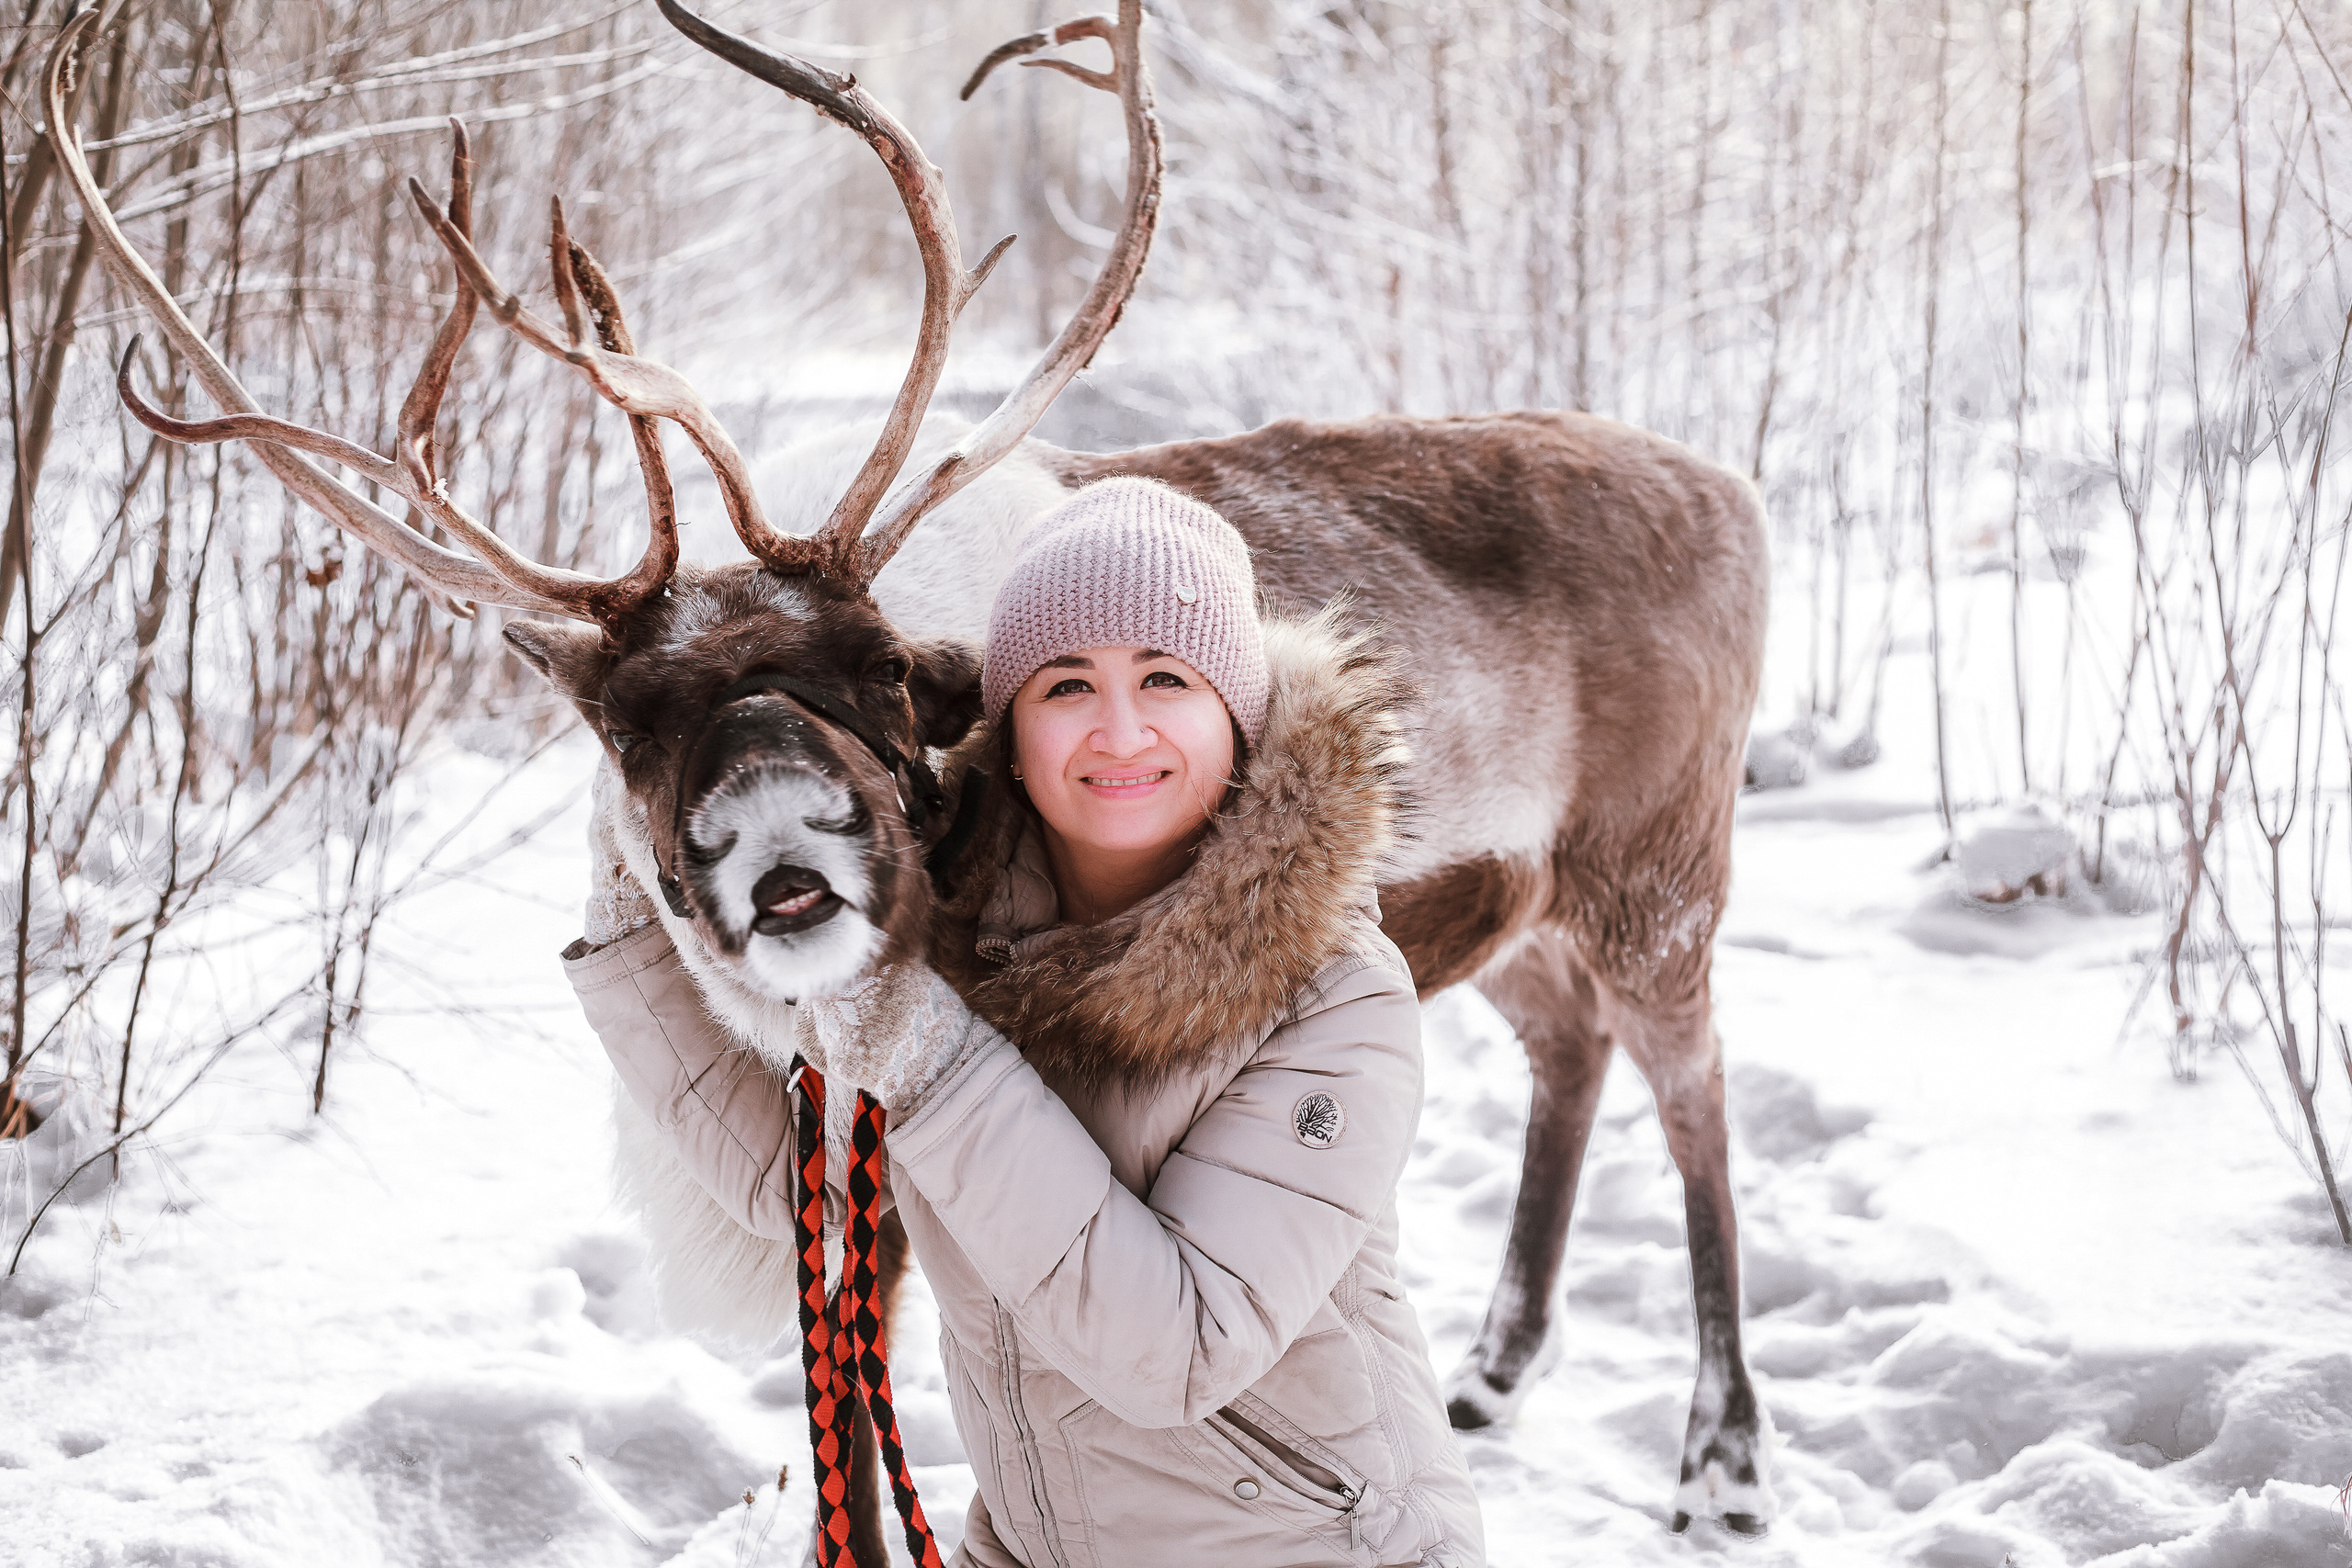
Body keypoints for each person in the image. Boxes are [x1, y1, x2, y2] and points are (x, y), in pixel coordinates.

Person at [564, 478, 1485, 1568]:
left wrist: (922, 1051)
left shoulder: (1336, 1002)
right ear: (1001, 728)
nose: (1119, 729)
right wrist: (629, 871)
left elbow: (1175, 1354)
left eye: (1164, 679)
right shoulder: (947, 934)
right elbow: (806, 1198)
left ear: (1231, 711)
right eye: (1065, 686)